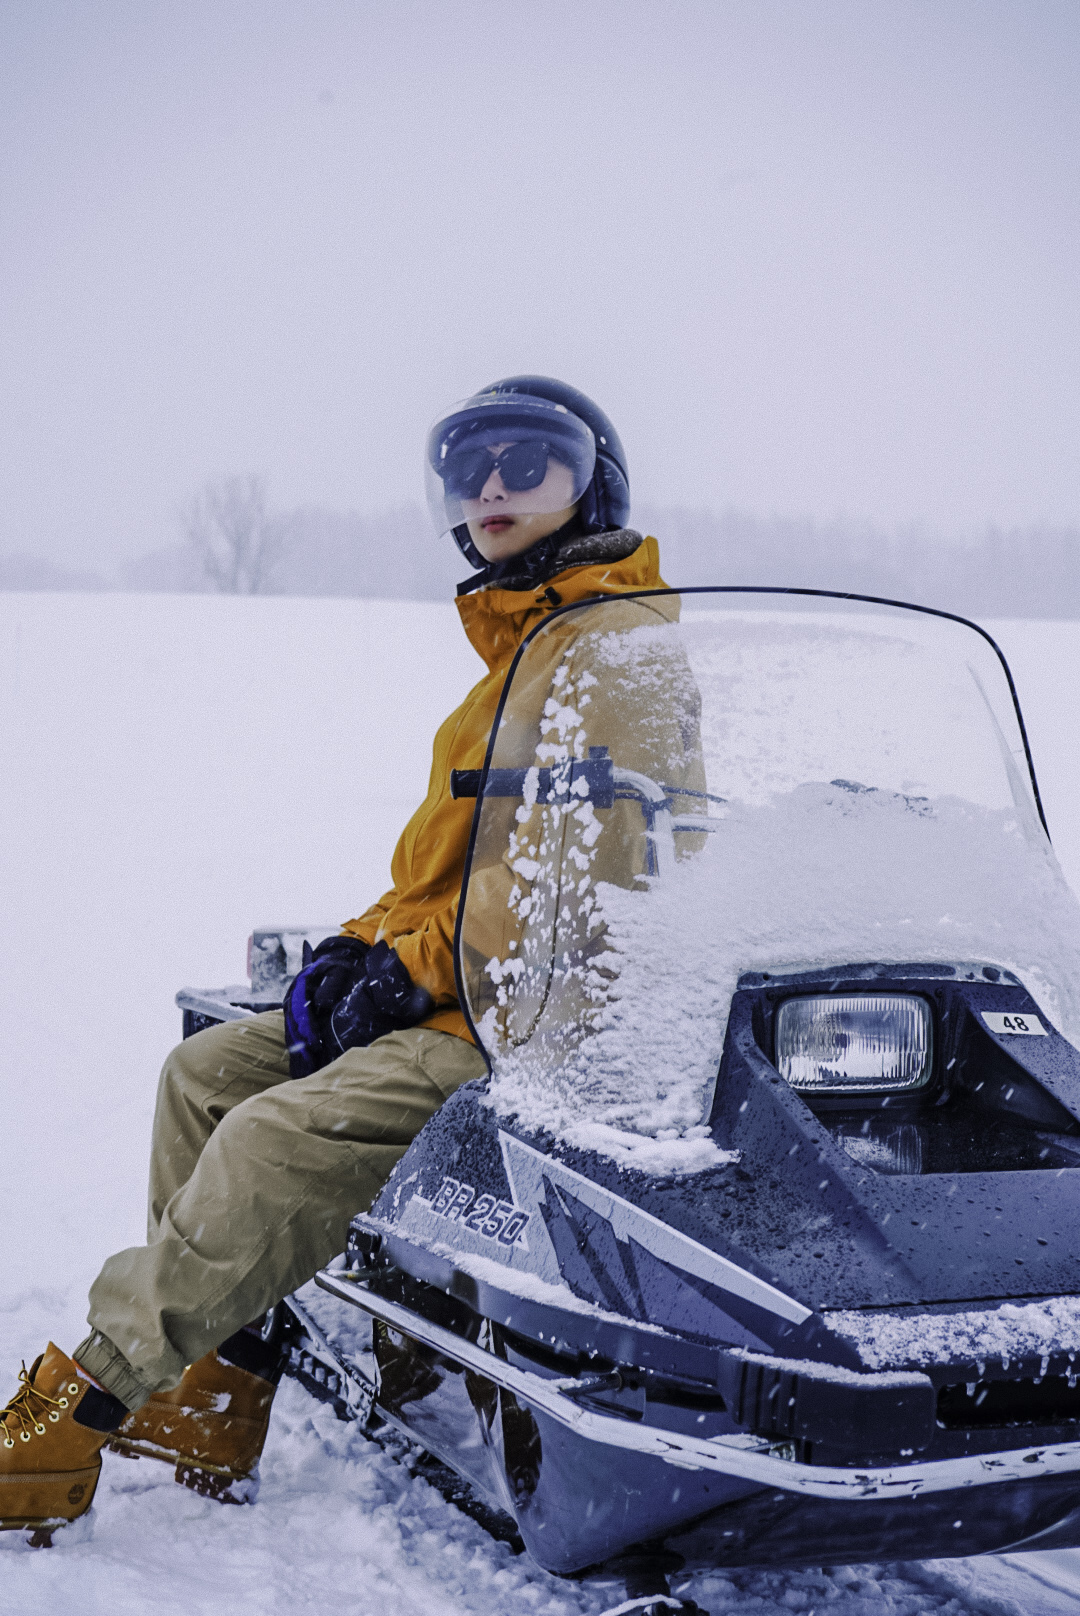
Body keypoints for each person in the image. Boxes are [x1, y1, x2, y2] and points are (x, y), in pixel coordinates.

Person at [0, 375, 671, 1541]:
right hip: (462, 987)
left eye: (527, 460)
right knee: (205, 1073)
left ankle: (88, 1394)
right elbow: (443, 879)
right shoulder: (518, 655)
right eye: (471, 469)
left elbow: (577, 893)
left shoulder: (613, 658)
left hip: (528, 1024)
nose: (494, 488)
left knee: (271, 1131)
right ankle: (216, 1389)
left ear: (592, 480)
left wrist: (407, 971)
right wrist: (355, 951)